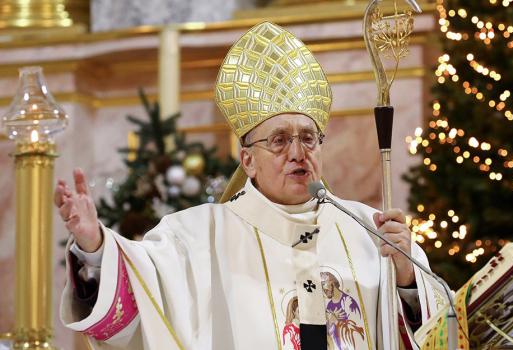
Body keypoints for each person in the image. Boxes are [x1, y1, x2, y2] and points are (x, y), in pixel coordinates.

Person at [56, 22, 444, 350]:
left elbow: (437, 329)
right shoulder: (194, 236)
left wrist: (408, 279)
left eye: (308, 138)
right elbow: (133, 302)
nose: (297, 153)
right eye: (278, 140)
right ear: (247, 160)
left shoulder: (369, 230)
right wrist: (94, 247)